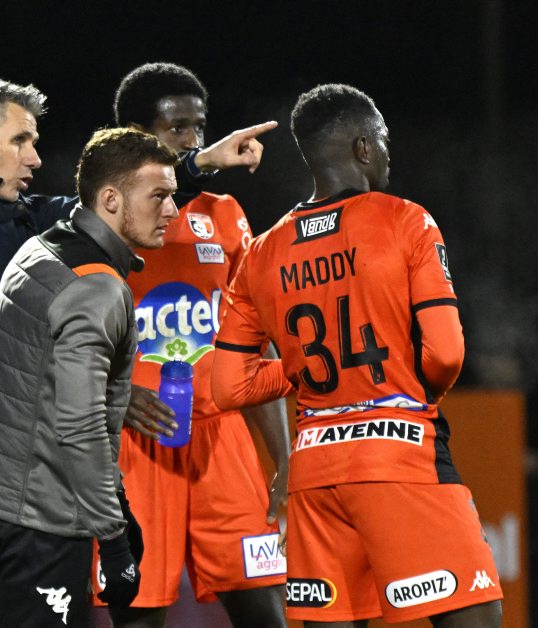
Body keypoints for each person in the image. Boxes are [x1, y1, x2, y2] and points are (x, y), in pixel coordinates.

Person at [0, 74, 280, 626]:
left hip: (38, 486)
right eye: (20, 140)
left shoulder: (28, 219)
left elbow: (115, 209)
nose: (35, 157)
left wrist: (201, 164)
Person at [211, 84, 504, 627]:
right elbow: (445, 354)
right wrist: (408, 388)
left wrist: (303, 368)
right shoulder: (406, 220)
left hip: (313, 473)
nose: (389, 153)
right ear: (364, 148)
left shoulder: (261, 253)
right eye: (383, 140)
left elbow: (229, 387)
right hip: (399, 453)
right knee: (477, 616)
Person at [90, 62, 290, 628]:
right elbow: (66, 338)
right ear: (133, 135)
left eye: (199, 127)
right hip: (137, 440)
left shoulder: (223, 216)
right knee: (139, 614)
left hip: (221, 438)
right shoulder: (104, 219)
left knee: (263, 608)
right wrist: (115, 396)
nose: (192, 140)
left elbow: (255, 344)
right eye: (176, 127)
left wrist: (284, 457)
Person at [0, 127, 180, 627]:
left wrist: (115, 502)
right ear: (111, 199)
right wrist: (115, 541)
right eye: (159, 196)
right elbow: (80, 425)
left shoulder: (41, 248)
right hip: (41, 522)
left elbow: (41, 391)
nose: (172, 210)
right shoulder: (97, 289)